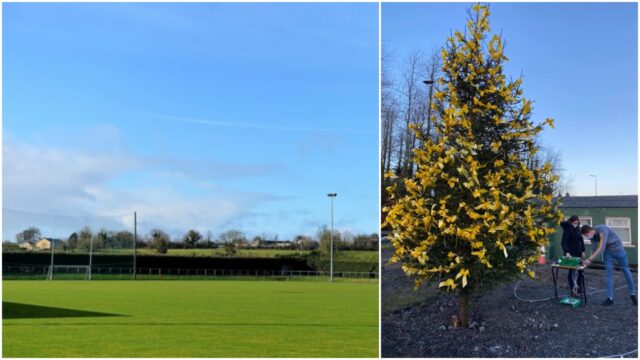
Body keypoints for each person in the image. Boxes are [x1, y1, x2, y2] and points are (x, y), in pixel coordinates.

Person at [582, 224, 637, 306]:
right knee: (608, 274)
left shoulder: (602, 229)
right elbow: (593, 249)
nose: (587, 237)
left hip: (619, 250)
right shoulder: (593, 237)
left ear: (591, 231)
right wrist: (586, 263)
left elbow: (601, 247)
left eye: (587, 235)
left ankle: (633, 295)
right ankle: (610, 298)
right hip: (608, 253)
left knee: (626, 271)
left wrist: (590, 259)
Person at [560, 215, 585, 297]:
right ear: (571, 222)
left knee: (580, 272)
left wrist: (583, 251)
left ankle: (578, 288)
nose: (576, 224)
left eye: (577, 223)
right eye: (574, 223)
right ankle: (572, 289)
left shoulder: (578, 229)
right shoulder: (567, 229)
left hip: (579, 253)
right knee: (572, 272)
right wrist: (566, 252)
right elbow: (564, 242)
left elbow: (581, 240)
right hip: (571, 254)